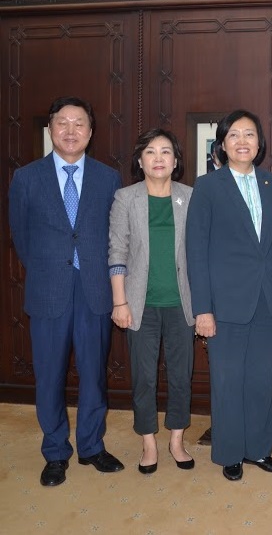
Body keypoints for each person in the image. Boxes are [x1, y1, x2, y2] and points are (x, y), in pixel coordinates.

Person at [9, 96, 124, 486]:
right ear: (51, 129)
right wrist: (51, 268)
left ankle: (91, 446)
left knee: (94, 375)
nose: (70, 131)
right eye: (63, 123)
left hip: (94, 289)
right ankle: (55, 451)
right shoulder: (26, 178)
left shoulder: (108, 178)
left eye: (79, 124)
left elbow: (115, 236)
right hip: (49, 290)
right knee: (49, 376)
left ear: (90, 132)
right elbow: (21, 236)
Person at [186, 109, 272, 481]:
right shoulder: (208, 186)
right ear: (223, 145)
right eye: (234, 135)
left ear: (260, 143)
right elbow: (196, 251)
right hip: (224, 302)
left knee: (260, 379)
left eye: (250, 134)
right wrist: (203, 309)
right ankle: (229, 452)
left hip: (265, 300)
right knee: (227, 380)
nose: (243, 141)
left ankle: (258, 449)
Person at [108, 129, 195, 475]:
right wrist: (119, 302)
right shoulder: (125, 198)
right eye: (150, 152)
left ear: (175, 161)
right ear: (140, 161)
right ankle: (148, 442)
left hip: (182, 304)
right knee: (144, 378)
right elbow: (117, 250)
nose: (158, 158)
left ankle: (176, 440)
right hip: (139, 304)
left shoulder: (191, 197)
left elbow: (200, 253)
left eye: (166, 152)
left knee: (180, 376)